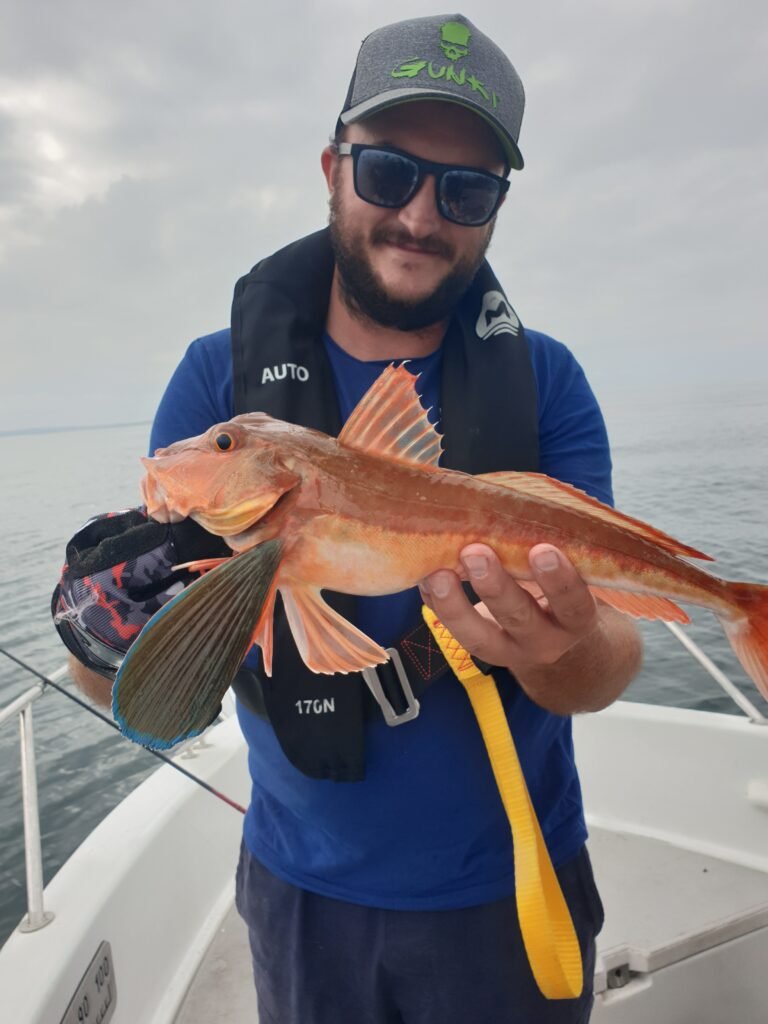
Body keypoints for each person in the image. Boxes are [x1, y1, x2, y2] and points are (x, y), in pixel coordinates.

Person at [55, 14, 642, 1024]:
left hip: (510, 881)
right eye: (386, 173)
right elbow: (150, 696)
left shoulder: (544, 380)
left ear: (495, 210)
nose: (420, 214)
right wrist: (105, 636)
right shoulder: (217, 381)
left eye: (464, 189)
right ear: (332, 166)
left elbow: (608, 663)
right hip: (302, 892)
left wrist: (561, 644)